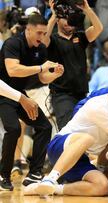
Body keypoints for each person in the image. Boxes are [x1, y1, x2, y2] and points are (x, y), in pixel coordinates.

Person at [25, 76, 108, 196]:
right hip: (60, 146)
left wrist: (104, 167)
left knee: (103, 186)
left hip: (80, 157)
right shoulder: (98, 106)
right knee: (87, 138)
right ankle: (50, 178)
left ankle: (50, 188)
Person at [0, 14, 64, 191]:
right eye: (39, 32)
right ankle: (3, 175)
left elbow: (42, 77)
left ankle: (35, 173)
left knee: (44, 126)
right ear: (28, 29)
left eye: (44, 33)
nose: (42, 37)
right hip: (3, 93)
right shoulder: (13, 43)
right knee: (13, 128)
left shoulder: (41, 49)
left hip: (20, 94)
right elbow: (13, 71)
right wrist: (42, 67)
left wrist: (54, 74)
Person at [44, 0, 103, 130]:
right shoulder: (52, 40)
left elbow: (99, 28)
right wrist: (54, 15)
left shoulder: (81, 37)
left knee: (83, 131)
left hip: (82, 93)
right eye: (65, 19)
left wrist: (87, 9)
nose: (69, 23)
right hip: (62, 94)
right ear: (59, 21)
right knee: (68, 130)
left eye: (71, 19)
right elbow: (43, 40)